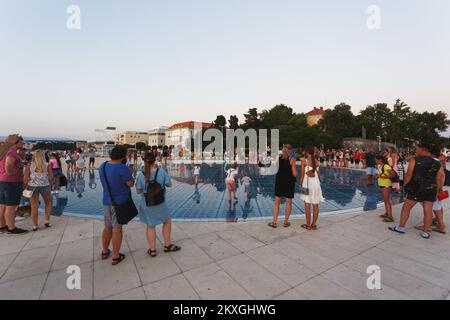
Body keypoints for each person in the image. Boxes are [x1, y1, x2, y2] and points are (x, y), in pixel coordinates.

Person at [389, 143, 445, 239]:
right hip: (431, 189)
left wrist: (405, 185)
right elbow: (439, 177)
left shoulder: (415, 160)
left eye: (417, 149)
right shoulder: (437, 162)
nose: (416, 150)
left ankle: (401, 227)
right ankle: (425, 232)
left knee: (406, 207)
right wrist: (438, 189)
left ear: (423, 149)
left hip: (416, 188)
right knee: (428, 210)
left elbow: (409, 174)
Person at [135, 153, 181, 257]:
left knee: (150, 226)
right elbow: (170, 184)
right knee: (167, 221)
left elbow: (138, 191)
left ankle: (152, 250)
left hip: (146, 204)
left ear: (144, 161)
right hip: (160, 203)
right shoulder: (161, 172)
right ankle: (167, 245)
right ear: (155, 160)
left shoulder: (141, 175)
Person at [99, 145, 135, 265]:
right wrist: (131, 175)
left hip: (107, 201)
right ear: (122, 156)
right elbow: (130, 184)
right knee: (117, 228)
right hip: (119, 203)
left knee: (107, 226)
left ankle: (105, 251)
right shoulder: (122, 168)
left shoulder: (102, 166)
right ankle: (115, 256)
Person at [0, 136, 28, 234]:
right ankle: (11, 228)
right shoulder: (11, 152)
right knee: (11, 206)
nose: (22, 144)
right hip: (11, 182)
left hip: (3, 181)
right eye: (20, 142)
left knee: (3, 205)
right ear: (14, 143)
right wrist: (12, 173)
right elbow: (8, 165)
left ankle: (2, 226)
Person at [23, 150, 53, 231]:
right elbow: (50, 177)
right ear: (43, 157)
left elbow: (25, 178)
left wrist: (25, 187)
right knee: (48, 203)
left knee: (34, 206)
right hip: (45, 186)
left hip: (32, 187)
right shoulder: (47, 165)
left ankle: (35, 225)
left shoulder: (29, 165)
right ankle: (47, 221)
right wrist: (50, 186)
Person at [269, 145, 297, 228]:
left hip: (279, 181)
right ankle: (285, 222)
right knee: (288, 202)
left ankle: (274, 222)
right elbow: (294, 173)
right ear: (290, 151)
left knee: (277, 202)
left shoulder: (278, 158)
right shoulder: (292, 159)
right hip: (289, 182)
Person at [300, 146, 324, 230]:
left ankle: (308, 225)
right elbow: (318, 175)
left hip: (306, 185)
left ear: (307, 152)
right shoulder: (317, 162)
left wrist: (300, 185)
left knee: (307, 205)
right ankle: (313, 224)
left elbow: (302, 176)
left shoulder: (304, 161)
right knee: (316, 205)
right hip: (316, 185)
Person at [375, 155, 395, 223]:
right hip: (381, 184)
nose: (375, 161)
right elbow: (381, 174)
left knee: (387, 200)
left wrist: (383, 177)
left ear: (380, 160)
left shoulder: (386, 166)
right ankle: (387, 213)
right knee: (385, 199)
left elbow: (393, 175)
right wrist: (378, 176)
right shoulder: (379, 166)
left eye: (376, 160)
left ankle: (390, 217)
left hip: (386, 184)